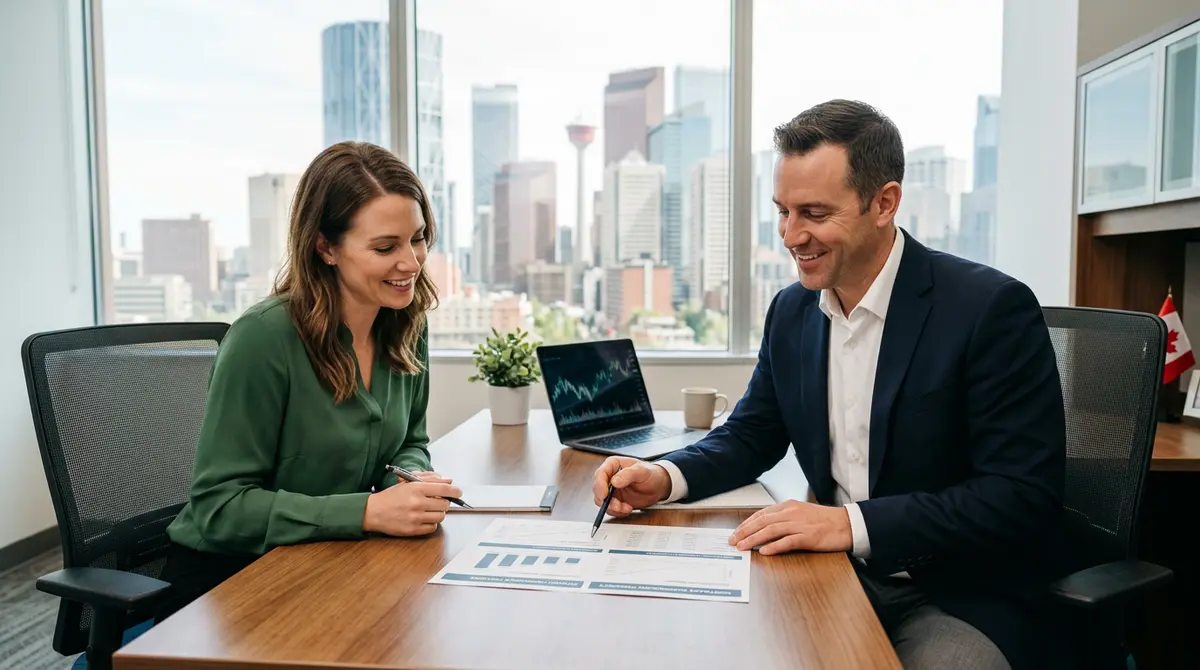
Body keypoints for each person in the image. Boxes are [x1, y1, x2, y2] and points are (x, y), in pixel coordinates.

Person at [591, 100, 1066, 670]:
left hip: (958, 591)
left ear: (884, 203)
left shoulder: (988, 309)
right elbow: (752, 434)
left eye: (813, 212)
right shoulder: (792, 311)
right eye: (783, 211)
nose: (792, 236)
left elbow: (1019, 497)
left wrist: (847, 524)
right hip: (829, 571)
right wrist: (663, 476)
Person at [157, 141, 462, 620]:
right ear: (325, 247)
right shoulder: (263, 339)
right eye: (385, 247)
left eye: (418, 238)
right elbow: (219, 508)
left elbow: (412, 441)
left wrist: (411, 476)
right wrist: (368, 512)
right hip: (231, 584)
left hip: (335, 563)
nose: (412, 262)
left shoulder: (405, 323)